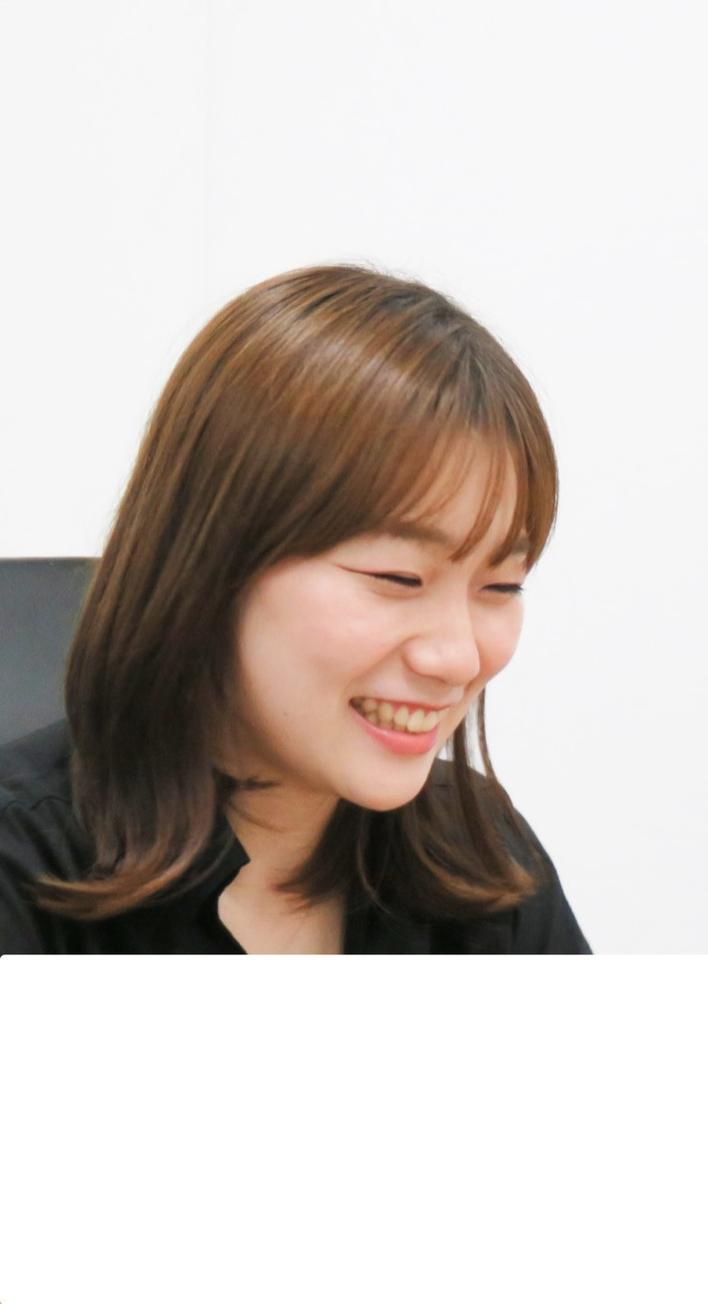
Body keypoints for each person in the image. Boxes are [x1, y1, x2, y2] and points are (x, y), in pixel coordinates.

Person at [0, 266, 588, 953]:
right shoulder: (22, 873)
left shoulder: (483, 863)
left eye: (501, 587)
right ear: (211, 562)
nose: (457, 658)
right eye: (398, 577)